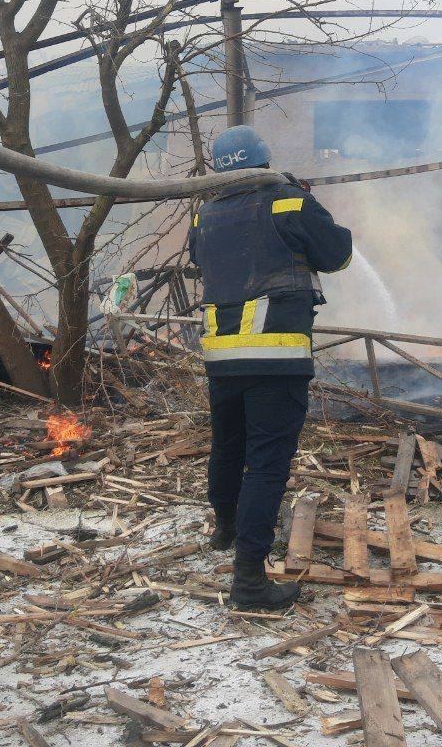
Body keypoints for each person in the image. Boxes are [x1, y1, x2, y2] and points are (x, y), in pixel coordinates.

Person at [188, 125, 353, 609]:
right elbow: (338, 255)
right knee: (265, 464)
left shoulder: (206, 213)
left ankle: (225, 530)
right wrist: (305, 200)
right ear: (265, 161)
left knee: (228, 445)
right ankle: (249, 582)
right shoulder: (289, 201)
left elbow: (205, 262)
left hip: (222, 353)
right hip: (275, 352)